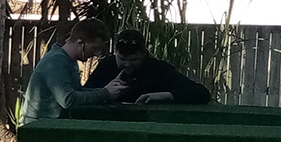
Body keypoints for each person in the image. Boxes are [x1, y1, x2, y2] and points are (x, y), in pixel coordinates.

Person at [85, 29, 213, 106]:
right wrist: (105, 92)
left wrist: (165, 95)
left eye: (134, 60)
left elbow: (202, 93)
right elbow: (83, 94)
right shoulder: (107, 66)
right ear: (115, 53)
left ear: (144, 54)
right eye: (122, 59)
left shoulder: (159, 70)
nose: (127, 64)